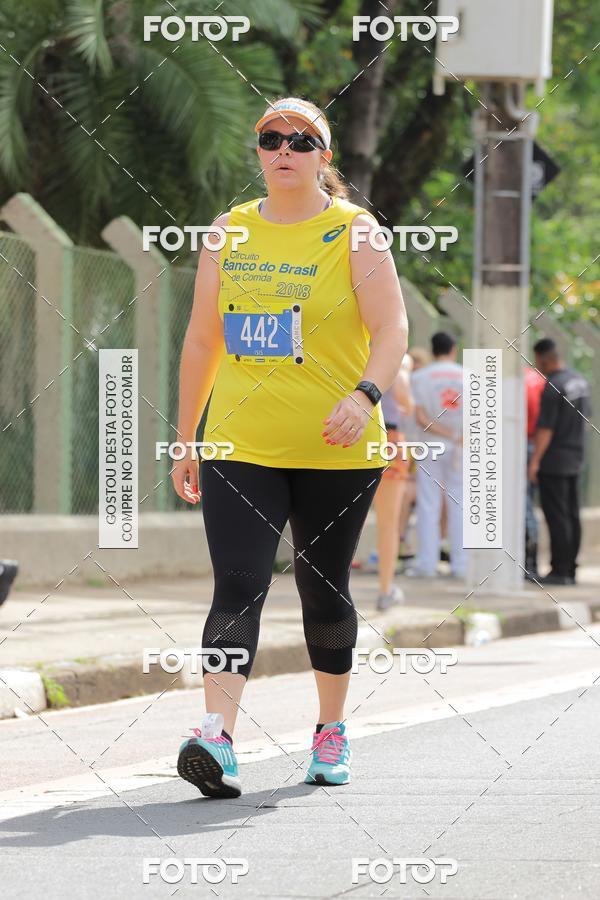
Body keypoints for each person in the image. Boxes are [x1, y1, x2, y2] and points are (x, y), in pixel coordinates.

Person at [172, 96, 408, 797]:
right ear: (258, 151)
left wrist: (363, 396)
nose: (285, 150)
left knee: (322, 590)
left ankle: (330, 729)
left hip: (337, 445)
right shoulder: (229, 232)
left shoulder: (355, 233)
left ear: (323, 158)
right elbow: (202, 340)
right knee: (239, 582)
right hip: (242, 442)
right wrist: (187, 439)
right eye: (272, 138)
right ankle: (216, 737)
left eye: (302, 141)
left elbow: (393, 328)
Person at [528, 339, 592, 585]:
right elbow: (585, 420)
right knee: (572, 514)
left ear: (544, 358)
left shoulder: (553, 386)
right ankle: (570, 568)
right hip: (575, 456)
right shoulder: (579, 381)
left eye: (537, 360)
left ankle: (560, 570)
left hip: (554, 460)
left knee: (557, 516)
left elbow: (545, 429)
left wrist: (535, 461)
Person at [408, 332, 465, 579]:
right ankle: (462, 565)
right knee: (460, 504)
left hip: (431, 446)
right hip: (462, 446)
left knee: (428, 504)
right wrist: (457, 435)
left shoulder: (420, 377)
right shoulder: (469, 376)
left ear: (432, 350)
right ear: (454, 348)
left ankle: (427, 564)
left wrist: (444, 433)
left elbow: (420, 419)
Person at [372, 354, 413, 610]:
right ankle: (385, 590)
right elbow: (405, 399)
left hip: (350, 432)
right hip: (389, 439)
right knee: (389, 523)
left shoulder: (352, 350)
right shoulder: (398, 359)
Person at [524, 365, 546, 580]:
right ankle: (530, 563)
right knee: (528, 504)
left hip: (520, 443)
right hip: (534, 443)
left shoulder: (519, 380)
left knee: (523, 505)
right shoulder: (538, 378)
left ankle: (527, 563)